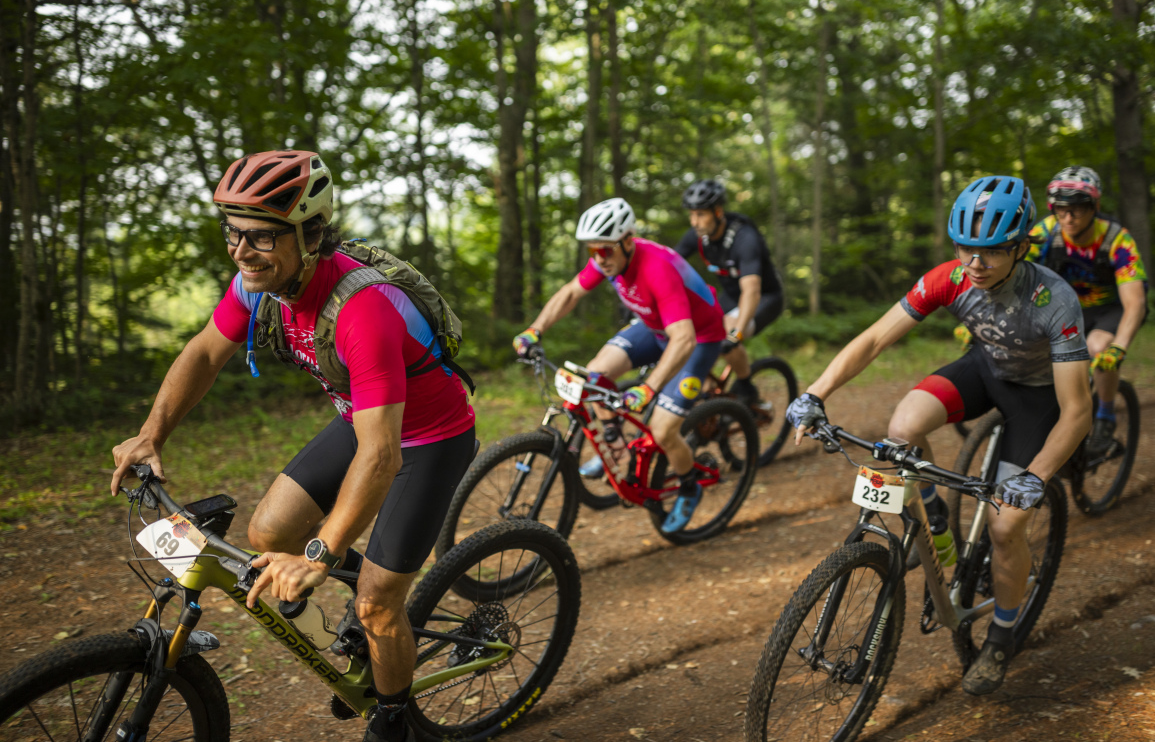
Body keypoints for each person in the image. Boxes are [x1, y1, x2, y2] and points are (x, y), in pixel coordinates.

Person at [109, 150, 476, 742]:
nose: (240, 250)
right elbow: (206, 351)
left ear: (309, 235)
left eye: (260, 237)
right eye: (233, 232)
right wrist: (152, 434)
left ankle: (391, 718)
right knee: (269, 533)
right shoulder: (260, 285)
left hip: (427, 439)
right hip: (365, 419)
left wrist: (322, 555)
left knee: (379, 603)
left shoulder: (362, 309)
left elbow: (381, 456)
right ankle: (360, 600)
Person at [786, 175, 1091, 696]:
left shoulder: (1054, 300)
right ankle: (937, 520)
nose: (975, 262)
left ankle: (1000, 635)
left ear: (1020, 248)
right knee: (902, 429)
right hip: (985, 369)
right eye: (965, 247)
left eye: (991, 252)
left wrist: (1036, 477)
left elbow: (1078, 411)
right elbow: (876, 337)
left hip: (1039, 397)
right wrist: (815, 392)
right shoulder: (949, 278)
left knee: (1003, 526)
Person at [512, 197, 726, 532]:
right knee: (593, 377)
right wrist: (534, 330)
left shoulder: (657, 268)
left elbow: (682, 338)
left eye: (606, 251)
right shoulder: (608, 258)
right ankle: (617, 446)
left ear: (628, 241)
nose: (599, 259)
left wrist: (648, 388)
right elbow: (570, 294)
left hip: (698, 338)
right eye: (592, 251)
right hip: (655, 327)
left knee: (663, 429)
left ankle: (689, 485)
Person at [1027, 165, 1148, 457]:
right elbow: (1015, 274)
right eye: (1061, 209)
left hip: (1111, 309)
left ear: (1095, 206)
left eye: (1077, 209)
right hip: (1066, 307)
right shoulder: (1044, 233)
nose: (1068, 217)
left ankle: (1105, 416)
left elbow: (1135, 302)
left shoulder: (1117, 239)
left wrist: (1119, 347)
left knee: (1097, 347)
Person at [674, 179, 785, 405]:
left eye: (701, 215)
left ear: (718, 212)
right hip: (731, 296)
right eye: (692, 215)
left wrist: (737, 334)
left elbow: (751, 291)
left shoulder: (745, 238)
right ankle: (709, 392)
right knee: (690, 331)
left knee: (726, 332)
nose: (695, 222)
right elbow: (666, 265)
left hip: (765, 297)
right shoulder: (697, 236)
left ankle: (746, 386)